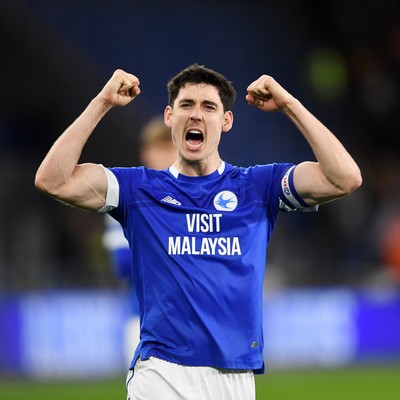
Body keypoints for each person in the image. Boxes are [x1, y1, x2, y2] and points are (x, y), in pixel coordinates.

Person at [35, 64, 362, 399]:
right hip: (162, 374)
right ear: (169, 116)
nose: (196, 115)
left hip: (234, 378)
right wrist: (101, 103)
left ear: (226, 121)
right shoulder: (139, 189)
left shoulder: (257, 186)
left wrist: (290, 105)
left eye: (209, 107)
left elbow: (343, 178)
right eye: (186, 105)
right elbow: (53, 180)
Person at [102, 116, 177, 367]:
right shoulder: (127, 197)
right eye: (160, 148)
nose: (166, 155)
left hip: (192, 320)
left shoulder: (197, 196)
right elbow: (122, 264)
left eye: (170, 147)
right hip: (144, 318)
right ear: (145, 153)